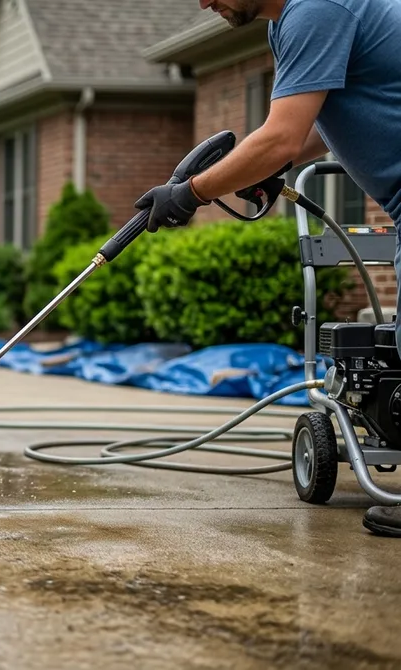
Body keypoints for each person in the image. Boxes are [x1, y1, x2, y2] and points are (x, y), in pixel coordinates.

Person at [136, 0, 401, 537]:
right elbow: (314, 127)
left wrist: (190, 193)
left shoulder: (316, 9)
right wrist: (276, 165)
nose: (204, 2)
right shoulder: (292, 22)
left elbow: (277, 135)